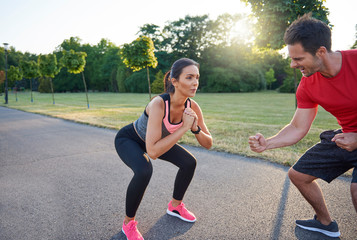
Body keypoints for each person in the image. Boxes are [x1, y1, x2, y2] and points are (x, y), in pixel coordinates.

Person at [248, 13, 357, 238]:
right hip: (347, 139)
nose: (292, 64)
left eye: (298, 59)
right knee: (298, 174)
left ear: (321, 52)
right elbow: (298, 127)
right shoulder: (307, 84)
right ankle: (325, 223)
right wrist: (267, 144)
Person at [115, 58, 213, 240]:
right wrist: (184, 127)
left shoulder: (193, 106)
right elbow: (152, 152)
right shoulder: (159, 104)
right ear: (174, 81)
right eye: (189, 77)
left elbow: (208, 143)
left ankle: (175, 205)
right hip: (130, 139)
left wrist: (195, 128)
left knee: (189, 162)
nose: (195, 83)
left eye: (197, 77)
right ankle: (128, 224)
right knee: (143, 170)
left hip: (156, 141)